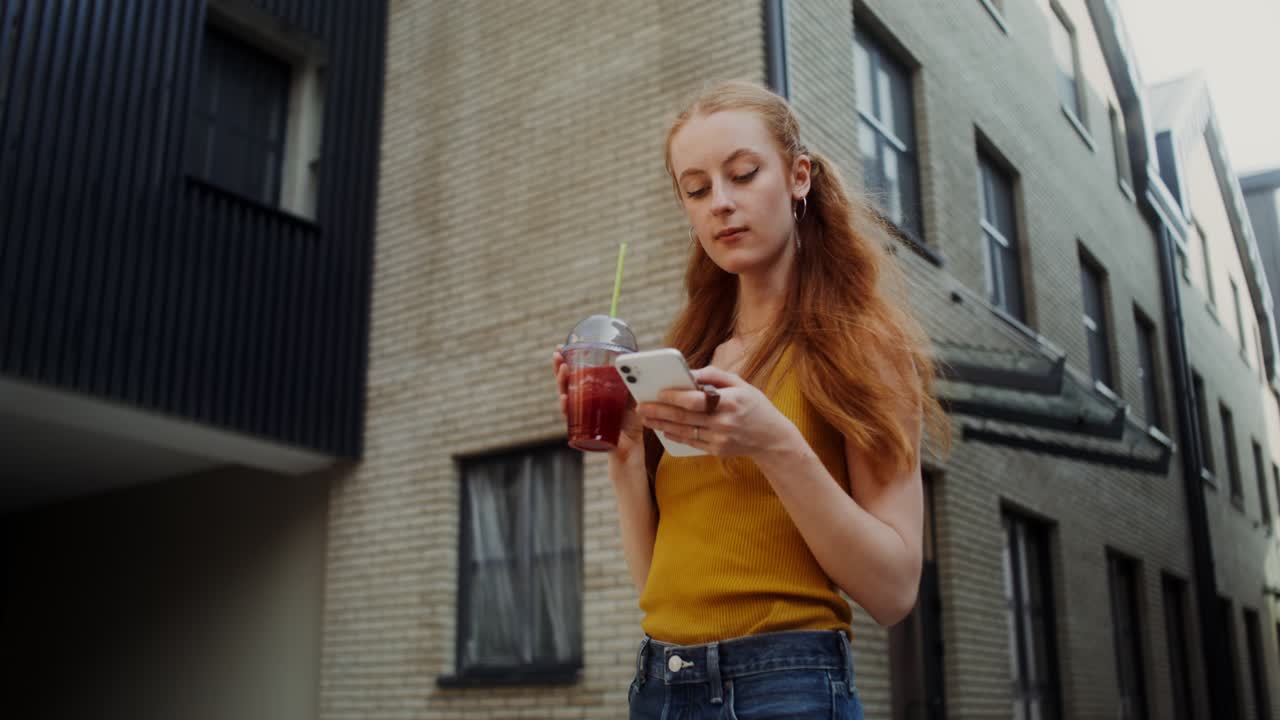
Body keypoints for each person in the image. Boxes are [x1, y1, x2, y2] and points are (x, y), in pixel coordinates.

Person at [552, 80, 949, 719]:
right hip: (661, 683)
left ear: (798, 177)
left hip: (785, 685)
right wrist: (627, 457)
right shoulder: (694, 357)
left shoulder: (860, 347)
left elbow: (895, 588)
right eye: (698, 189)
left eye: (743, 174)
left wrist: (774, 442)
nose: (722, 204)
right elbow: (662, 585)